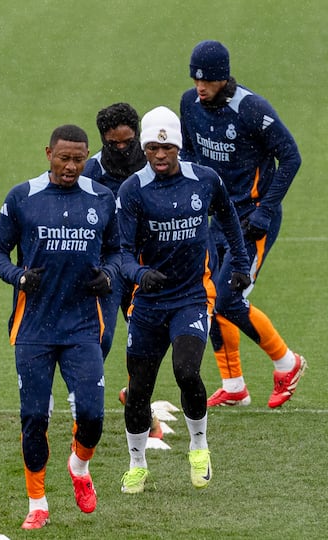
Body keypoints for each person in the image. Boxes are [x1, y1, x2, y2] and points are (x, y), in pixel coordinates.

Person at [0, 125, 121, 529]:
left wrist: (111, 275)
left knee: (94, 416)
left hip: (83, 326)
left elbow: (117, 249)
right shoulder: (22, 198)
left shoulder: (101, 198)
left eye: (79, 159)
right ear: (49, 153)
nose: (70, 165)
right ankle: (38, 503)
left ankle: (79, 467)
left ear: (86, 157)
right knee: (33, 417)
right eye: (63, 157)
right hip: (34, 328)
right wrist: (19, 277)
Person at [117, 106, 251, 494]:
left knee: (187, 371)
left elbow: (228, 217)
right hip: (147, 304)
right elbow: (122, 252)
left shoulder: (204, 181)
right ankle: (137, 464)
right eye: (153, 149)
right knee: (139, 387)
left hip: (191, 298)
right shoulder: (133, 191)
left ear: (178, 146)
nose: (160, 155)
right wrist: (141, 274)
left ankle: (199, 446)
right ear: (144, 148)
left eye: (168, 147)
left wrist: (240, 263)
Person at [180, 40, 307, 408]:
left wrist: (266, 209)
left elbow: (291, 156)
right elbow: (189, 150)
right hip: (215, 216)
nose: (199, 87)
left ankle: (288, 363)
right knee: (211, 295)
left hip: (252, 221)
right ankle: (234, 385)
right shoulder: (190, 103)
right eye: (195, 79)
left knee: (229, 296)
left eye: (207, 80)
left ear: (223, 77)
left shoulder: (251, 109)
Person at [82, 102, 162, 439]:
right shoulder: (89, 173)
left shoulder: (153, 166)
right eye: (112, 143)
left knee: (149, 344)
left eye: (127, 142)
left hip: (143, 268)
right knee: (101, 340)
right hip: (106, 270)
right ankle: (86, 412)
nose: (120, 148)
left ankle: (136, 398)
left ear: (138, 136)